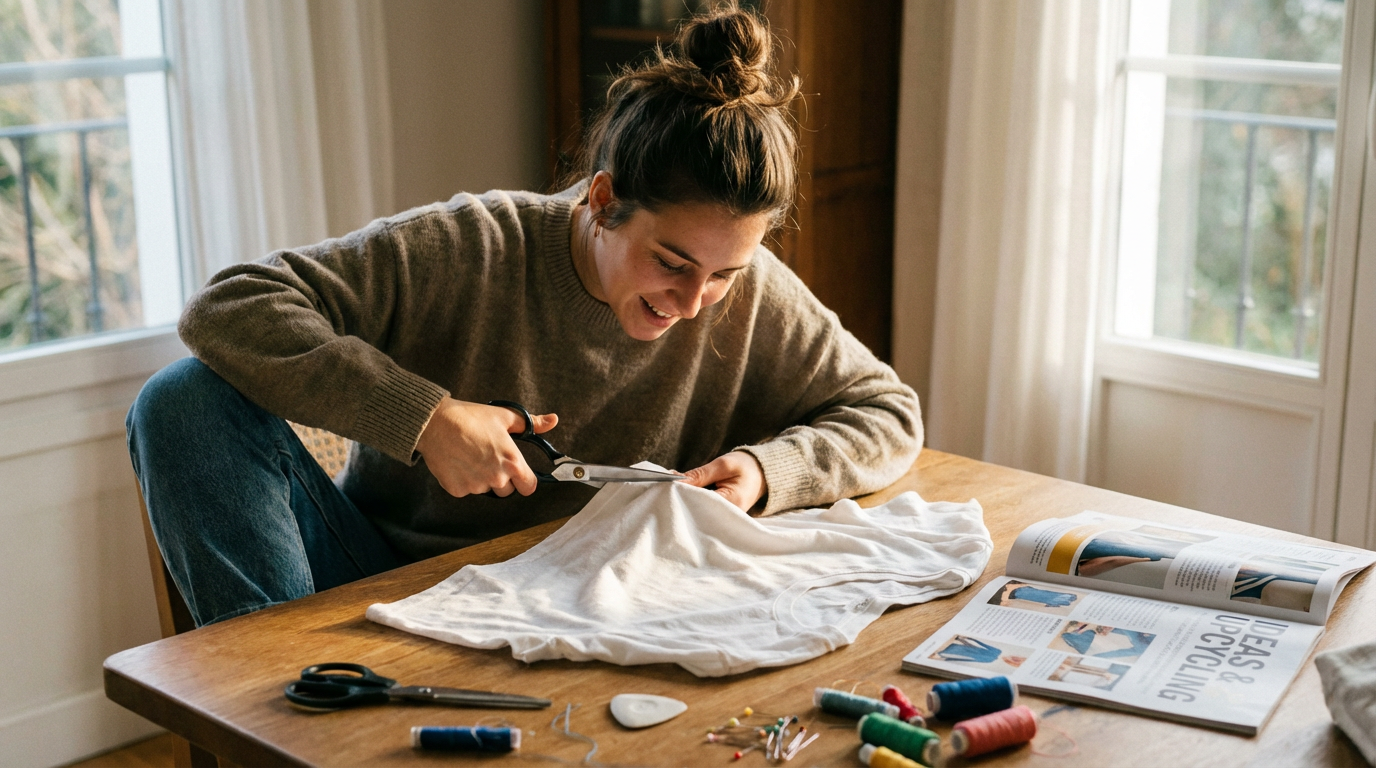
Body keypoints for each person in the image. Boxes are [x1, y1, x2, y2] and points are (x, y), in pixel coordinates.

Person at [124, 5, 922, 628]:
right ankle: (278, 709)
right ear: (602, 201)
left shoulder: (748, 292)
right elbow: (227, 308)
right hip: (381, 582)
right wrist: (426, 419)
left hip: (591, 606)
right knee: (179, 400)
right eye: (672, 264)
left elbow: (887, 410)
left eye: (724, 275)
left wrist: (767, 471)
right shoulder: (468, 245)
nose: (692, 304)